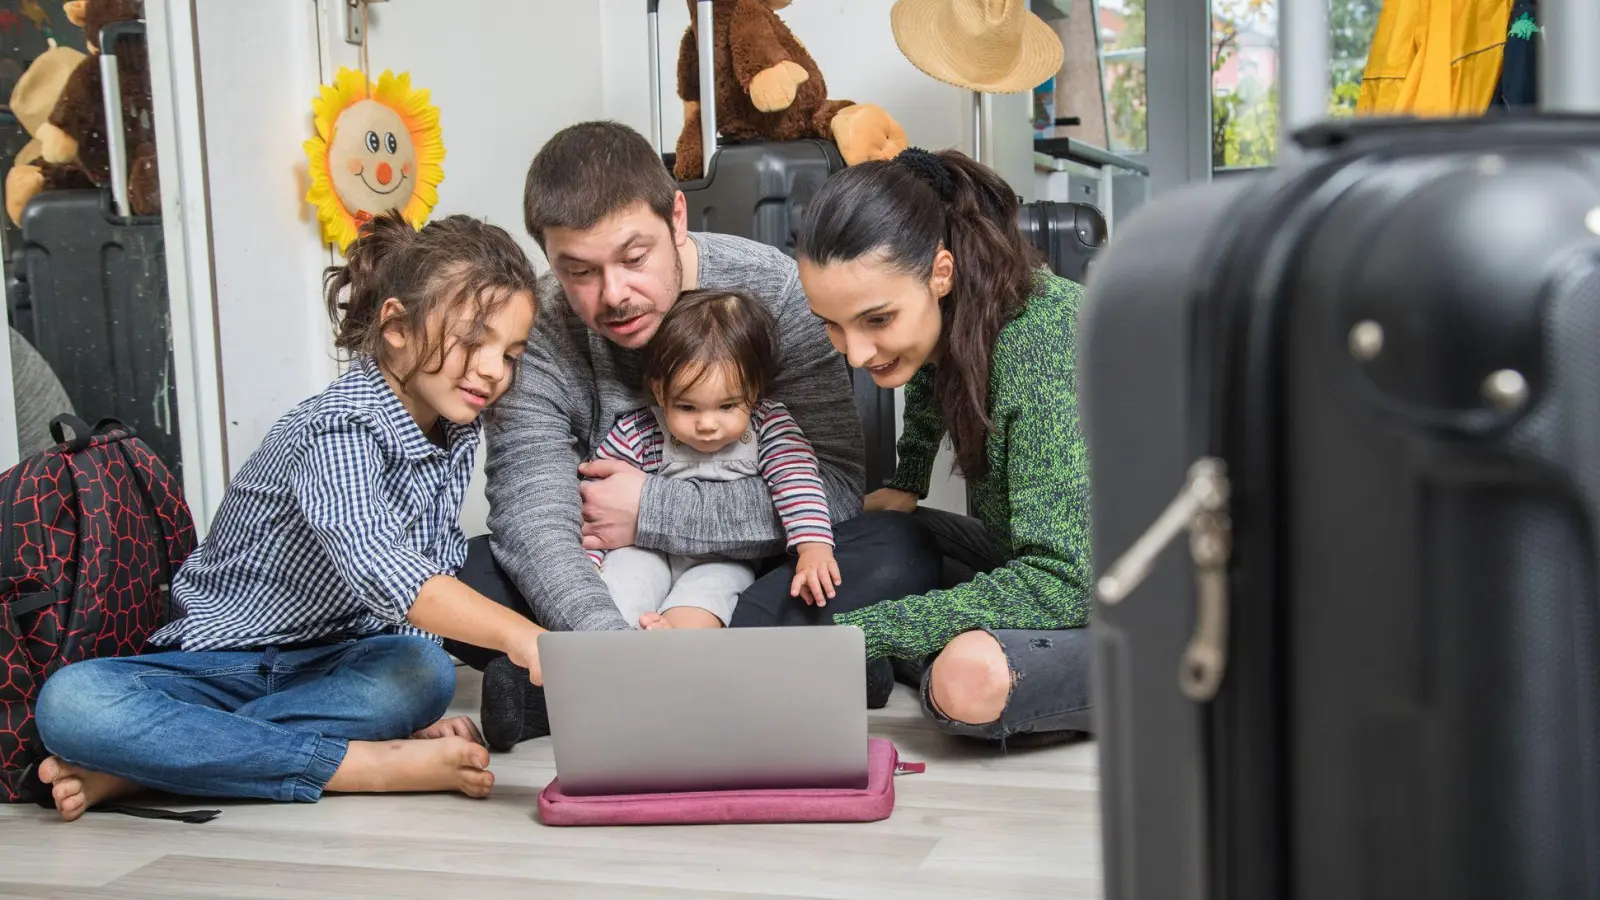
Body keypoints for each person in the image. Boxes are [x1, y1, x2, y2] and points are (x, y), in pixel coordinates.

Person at [32, 211, 548, 821]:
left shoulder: (452, 433)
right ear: (396, 328)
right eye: (473, 342)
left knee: (425, 673)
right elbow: (384, 569)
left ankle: (142, 773)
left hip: (330, 664)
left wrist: (420, 698)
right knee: (72, 704)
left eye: (510, 353)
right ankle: (359, 766)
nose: (494, 369)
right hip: (217, 664)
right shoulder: (337, 427)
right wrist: (522, 634)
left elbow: (423, 578)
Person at [449, 120, 942, 751]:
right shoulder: (539, 328)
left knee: (898, 546)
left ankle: (559, 692)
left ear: (677, 218)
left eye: (633, 258)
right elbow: (531, 507)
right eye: (579, 272)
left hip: (761, 566)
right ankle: (793, 669)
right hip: (613, 575)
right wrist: (608, 642)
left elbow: (836, 486)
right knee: (464, 574)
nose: (614, 295)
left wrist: (654, 510)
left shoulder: (775, 291)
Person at [793, 146, 1094, 746]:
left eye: (876, 320)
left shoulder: (1041, 345)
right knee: (881, 531)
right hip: (1038, 561)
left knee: (964, 681)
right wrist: (908, 483)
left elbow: (1065, 580)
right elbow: (931, 385)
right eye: (832, 323)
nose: (854, 354)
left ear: (941, 271)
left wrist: (863, 634)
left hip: (1134, 599)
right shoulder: (964, 317)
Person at [589, 289, 842, 629]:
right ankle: (610, 653)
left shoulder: (767, 426)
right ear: (661, 391)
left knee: (710, 599)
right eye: (687, 407)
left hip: (723, 557)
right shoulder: (641, 430)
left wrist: (814, 547)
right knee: (618, 587)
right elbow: (594, 503)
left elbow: (798, 482)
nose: (707, 425)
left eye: (727, 406)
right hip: (644, 548)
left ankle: (674, 642)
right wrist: (588, 560)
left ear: (754, 391)